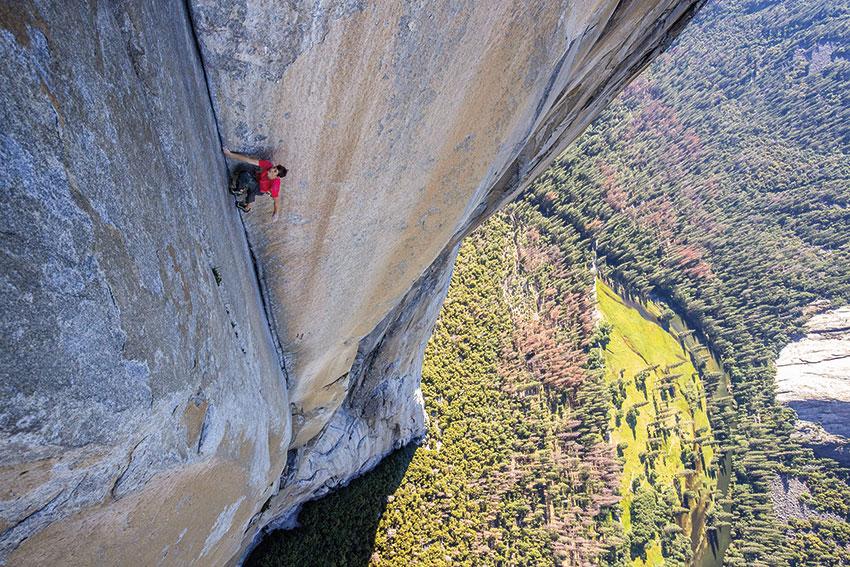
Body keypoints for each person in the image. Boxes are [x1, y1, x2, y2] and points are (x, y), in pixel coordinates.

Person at [222, 147, 287, 220]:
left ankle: (245, 203)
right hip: (257, 177)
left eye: (275, 171)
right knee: (244, 167)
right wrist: (230, 154)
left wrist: (276, 213)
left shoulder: (275, 186)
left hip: (260, 188)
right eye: (274, 168)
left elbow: (276, 201)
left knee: (246, 178)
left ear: (276, 176)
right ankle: (241, 190)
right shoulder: (268, 165)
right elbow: (249, 160)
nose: (272, 169)